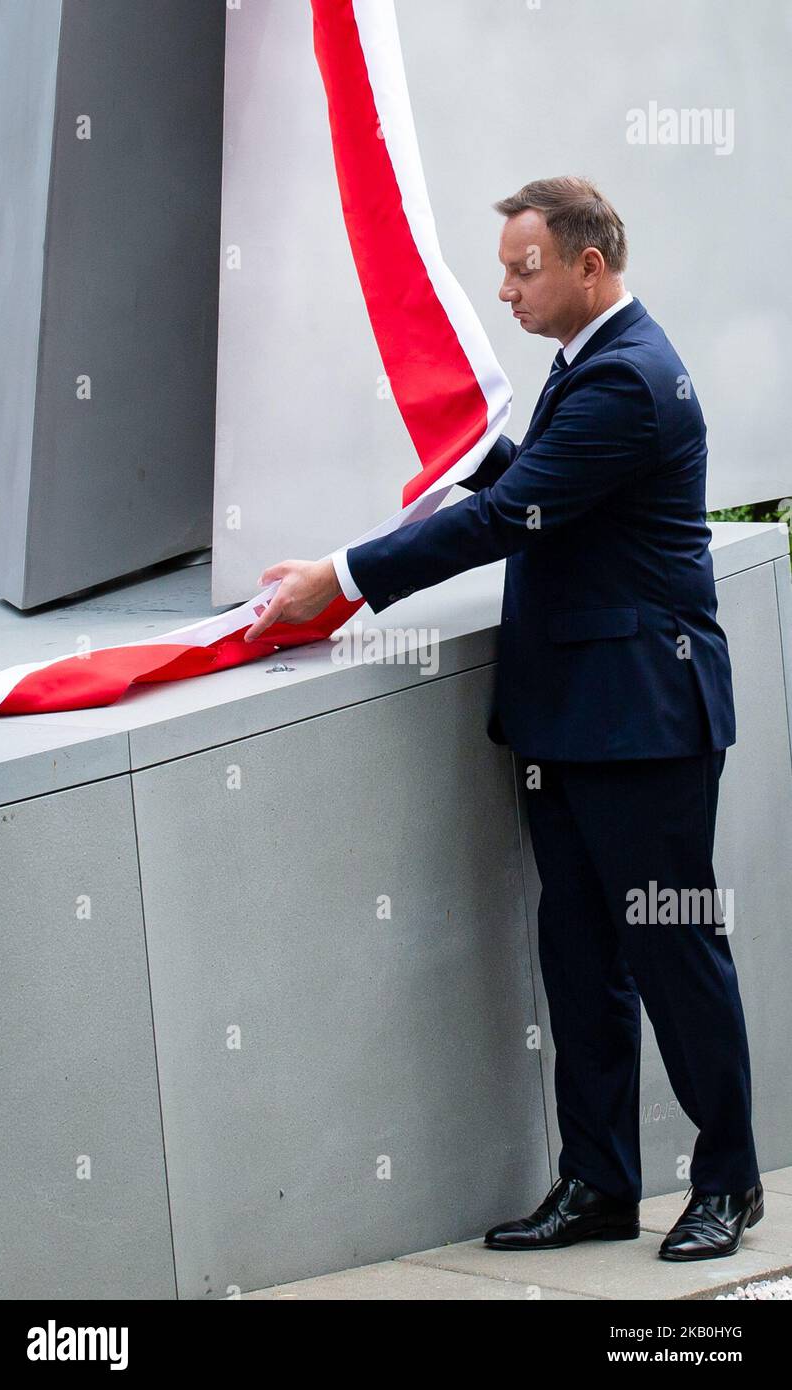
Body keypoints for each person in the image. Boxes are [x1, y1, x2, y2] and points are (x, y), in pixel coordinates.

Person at [244, 175, 762, 1261]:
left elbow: (504, 516)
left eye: (524, 269)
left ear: (588, 265)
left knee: (672, 949)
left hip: (644, 720)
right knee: (578, 959)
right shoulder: (579, 371)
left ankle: (725, 1181)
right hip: (569, 720)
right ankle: (599, 1185)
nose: (506, 290)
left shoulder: (628, 380)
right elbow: (507, 481)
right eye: (503, 270)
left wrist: (339, 577)